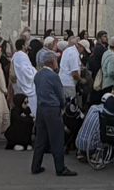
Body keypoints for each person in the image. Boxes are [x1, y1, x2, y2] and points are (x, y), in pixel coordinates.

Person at [30, 49, 78, 177]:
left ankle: (36, 165)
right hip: (52, 108)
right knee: (57, 138)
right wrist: (62, 106)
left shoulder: (38, 75)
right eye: (56, 60)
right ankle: (60, 168)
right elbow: (60, 95)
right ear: (52, 62)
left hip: (41, 108)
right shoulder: (54, 76)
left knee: (41, 138)